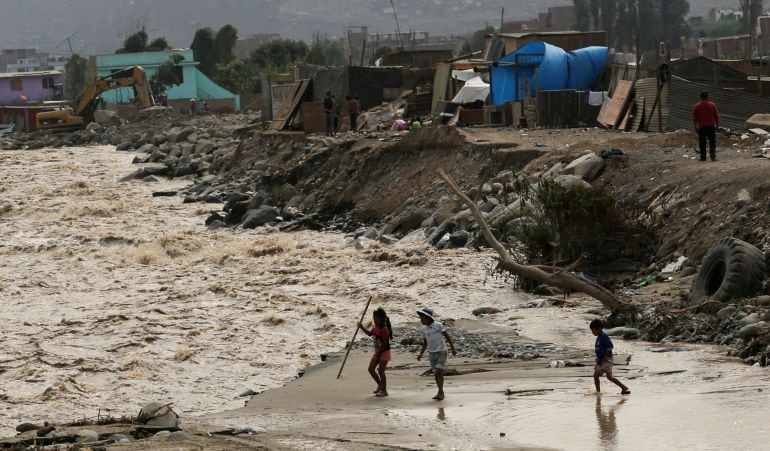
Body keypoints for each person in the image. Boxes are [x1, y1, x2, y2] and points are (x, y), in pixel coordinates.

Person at [416, 307, 456, 401]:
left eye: (422, 318)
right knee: (435, 373)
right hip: (431, 353)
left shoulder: (438, 325)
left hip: (442, 351)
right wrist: (421, 354)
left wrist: (452, 347)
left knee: (439, 370)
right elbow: (425, 342)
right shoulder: (423, 329)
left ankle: (441, 392)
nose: (421, 320)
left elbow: (446, 336)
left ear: (428, 317)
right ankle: (439, 391)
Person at [357, 307, 393, 397]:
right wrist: (361, 327)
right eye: (374, 318)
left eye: (376, 318)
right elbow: (370, 334)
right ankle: (380, 386)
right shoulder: (375, 327)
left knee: (381, 371)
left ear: (381, 319)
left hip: (384, 352)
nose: (375, 320)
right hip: (378, 352)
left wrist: (378, 353)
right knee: (370, 369)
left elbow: (385, 344)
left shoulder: (385, 329)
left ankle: (384, 390)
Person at [590, 319, 630, 395]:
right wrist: (599, 358)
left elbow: (610, 347)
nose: (592, 332)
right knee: (596, 375)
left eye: (593, 330)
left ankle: (624, 388)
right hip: (600, 360)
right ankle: (598, 391)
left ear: (599, 329)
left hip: (607, 359)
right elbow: (599, 349)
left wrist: (605, 356)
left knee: (609, 376)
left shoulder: (604, 336)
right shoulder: (598, 337)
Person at [693, 91, 719, 162]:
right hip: (711, 126)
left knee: (702, 142)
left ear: (700, 97)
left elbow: (695, 118)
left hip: (701, 127)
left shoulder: (697, 106)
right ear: (707, 96)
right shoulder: (712, 105)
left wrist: (695, 127)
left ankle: (703, 157)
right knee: (712, 142)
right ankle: (713, 157)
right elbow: (716, 116)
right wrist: (717, 125)